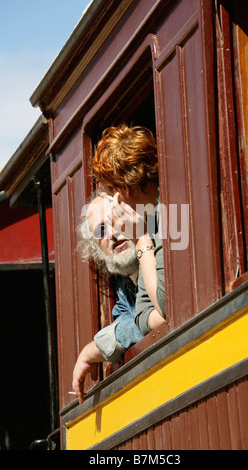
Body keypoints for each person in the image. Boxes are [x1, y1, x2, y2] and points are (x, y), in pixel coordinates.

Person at [92, 124, 166, 336]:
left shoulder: (167, 212)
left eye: (110, 193)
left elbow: (165, 305)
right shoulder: (149, 220)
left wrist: (141, 239)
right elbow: (142, 316)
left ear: (123, 188)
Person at [72, 192, 144, 404]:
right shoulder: (124, 280)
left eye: (116, 219)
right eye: (101, 230)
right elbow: (126, 321)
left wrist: (90, 351)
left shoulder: (159, 255)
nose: (112, 233)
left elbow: (153, 320)